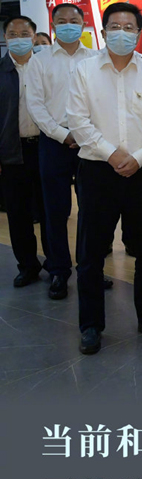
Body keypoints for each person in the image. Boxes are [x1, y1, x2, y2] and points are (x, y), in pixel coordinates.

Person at [66, 1, 142, 355]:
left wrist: (138, 157)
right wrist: (112, 154)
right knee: (91, 253)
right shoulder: (84, 71)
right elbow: (78, 120)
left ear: (138, 33)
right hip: (98, 171)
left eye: (129, 27)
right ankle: (91, 325)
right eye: (115, 26)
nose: (122, 33)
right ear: (103, 31)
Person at [25, 4, 95, 299]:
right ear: (53, 26)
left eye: (74, 20)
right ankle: (58, 270)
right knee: (55, 211)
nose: (68, 25)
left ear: (83, 24)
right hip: (54, 143)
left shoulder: (95, 58)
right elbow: (35, 105)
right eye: (62, 21)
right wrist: (63, 134)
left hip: (90, 143)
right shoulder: (39, 61)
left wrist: (86, 133)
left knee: (92, 210)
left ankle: (90, 268)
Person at [0, 16, 49, 288]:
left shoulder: (45, 67)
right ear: (5, 38)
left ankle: (55, 264)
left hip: (45, 148)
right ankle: (28, 266)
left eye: (24, 33)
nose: (18, 38)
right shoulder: (1, 70)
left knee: (50, 211)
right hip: (12, 151)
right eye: (12, 34)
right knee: (18, 214)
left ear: (33, 36)